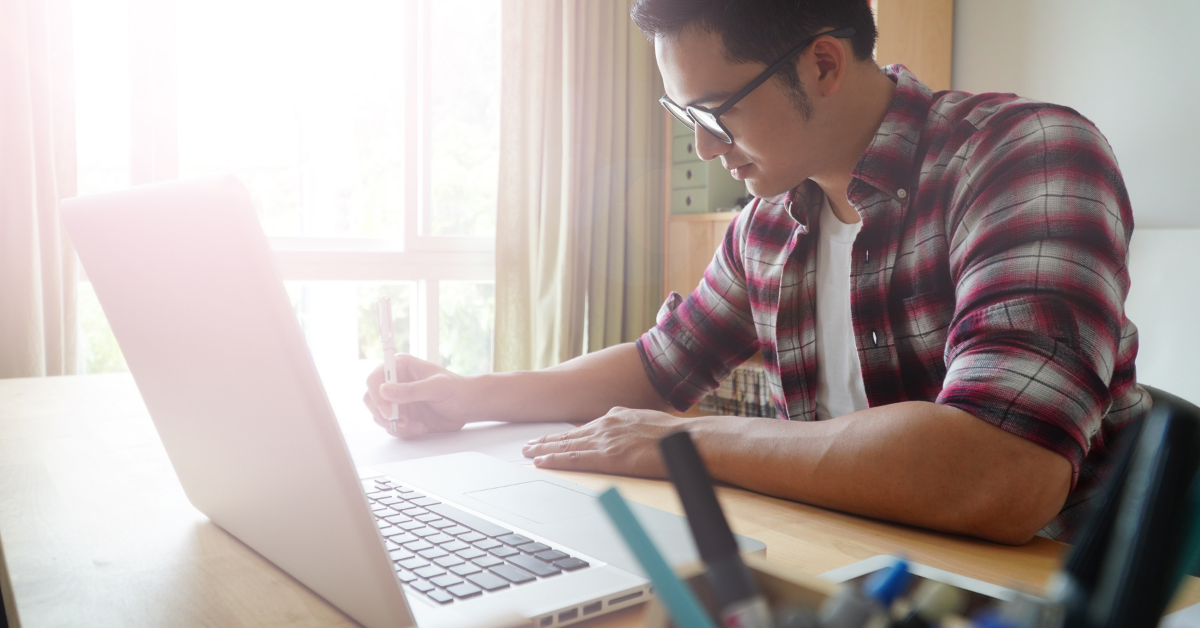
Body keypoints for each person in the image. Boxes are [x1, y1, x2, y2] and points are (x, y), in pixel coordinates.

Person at [363, 0, 1147, 545]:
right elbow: (654, 366)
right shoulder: (770, 222)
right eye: (685, 117)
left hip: (1044, 589)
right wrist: (468, 395)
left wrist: (688, 443)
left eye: (714, 111)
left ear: (824, 65)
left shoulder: (1028, 156)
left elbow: (1003, 473)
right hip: (842, 568)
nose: (703, 148)